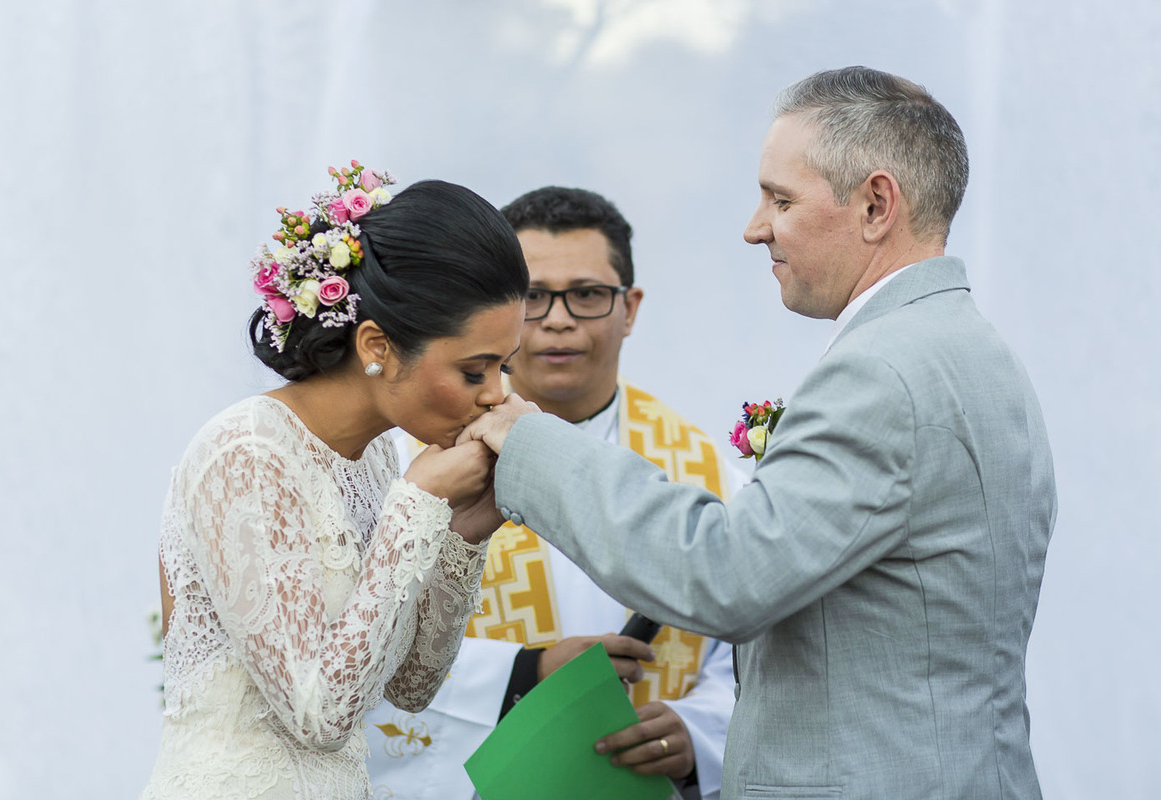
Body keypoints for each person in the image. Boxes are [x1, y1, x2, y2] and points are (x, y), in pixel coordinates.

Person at [463, 67, 1057, 800]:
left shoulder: (883, 374)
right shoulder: (968, 347)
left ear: (876, 204)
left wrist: (528, 445)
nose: (754, 227)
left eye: (780, 199)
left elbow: (723, 578)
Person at [139, 164, 529, 800]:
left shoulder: (375, 459)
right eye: (474, 370)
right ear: (376, 345)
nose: (497, 395)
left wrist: (464, 531)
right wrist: (420, 504)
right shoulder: (246, 452)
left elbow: (409, 686)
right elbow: (318, 714)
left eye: (504, 367)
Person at [365, 187, 740, 800]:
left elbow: (751, 653)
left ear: (631, 308)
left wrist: (695, 734)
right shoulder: (411, 467)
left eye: (588, 295)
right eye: (535, 297)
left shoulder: (707, 475)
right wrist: (524, 672)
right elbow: (359, 646)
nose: (559, 319)